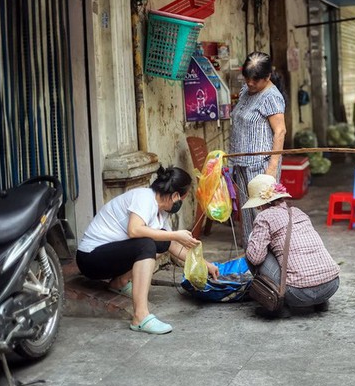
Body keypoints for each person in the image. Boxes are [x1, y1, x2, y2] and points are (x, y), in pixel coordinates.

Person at [76, 165, 220, 335]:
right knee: (146, 244)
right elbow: (134, 230)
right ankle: (140, 317)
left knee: (159, 241)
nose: (180, 202)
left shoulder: (161, 211)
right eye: (183, 198)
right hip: (90, 258)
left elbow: (171, 245)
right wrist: (174, 234)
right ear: (175, 196)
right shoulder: (144, 198)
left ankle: (119, 283)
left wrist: (205, 265)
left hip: (108, 256)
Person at [243, 174, 340, 318]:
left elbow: (256, 258)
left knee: (254, 247)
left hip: (297, 294)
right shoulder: (298, 212)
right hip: (332, 285)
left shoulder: (264, 217)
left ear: (258, 204)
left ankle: (278, 304)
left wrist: (252, 241)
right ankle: (320, 301)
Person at [229, 51, 287, 249]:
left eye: (255, 80)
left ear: (267, 77)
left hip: (260, 167)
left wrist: (272, 169)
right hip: (242, 165)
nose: (250, 83)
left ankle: (267, 262)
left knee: (262, 215)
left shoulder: (271, 97)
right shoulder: (246, 90)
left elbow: (280, 132)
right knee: (247, 216)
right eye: (247, 78)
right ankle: (251, 257)